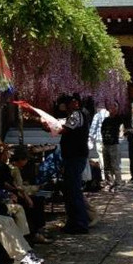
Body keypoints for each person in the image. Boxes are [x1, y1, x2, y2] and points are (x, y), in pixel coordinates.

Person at [54, 93, 90, 233]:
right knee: (69, 191)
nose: (64, 105)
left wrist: (52, 127)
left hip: (76, 157)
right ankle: (72, 222)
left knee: (74, 191)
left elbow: (65, 129)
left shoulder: (76, 115)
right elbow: (63, 126)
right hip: (71, 157)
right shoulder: (73, 116)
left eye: (67, 102)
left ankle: (80, 223)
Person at [3, 145, 50, 243]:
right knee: (35, 203)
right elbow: (18, 187)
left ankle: (37, 230)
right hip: (15, 195)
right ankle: (34, 232)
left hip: (19, 193)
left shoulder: (15, 169)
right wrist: (33, 190)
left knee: (38, 200)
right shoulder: (13, 170)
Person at [100, 101, 124, 189]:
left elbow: (121, 125)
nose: (112, 109)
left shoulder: (118, 119)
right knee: (106, 165)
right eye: (111, 107)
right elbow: (102, 130)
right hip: (105, 143)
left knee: (115, 164)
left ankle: (118, 182)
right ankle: (109, 182)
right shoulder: (106, 120)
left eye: (114, 107)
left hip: (114, 144)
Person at [87, 97, 108, 191]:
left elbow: (93, 129)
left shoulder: (97, 115)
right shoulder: (109, 113)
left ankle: (103, 176)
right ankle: (110, 176)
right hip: (108, 140)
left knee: (102, 157)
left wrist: (90, 138)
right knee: (109, 157)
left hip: (100, 139)